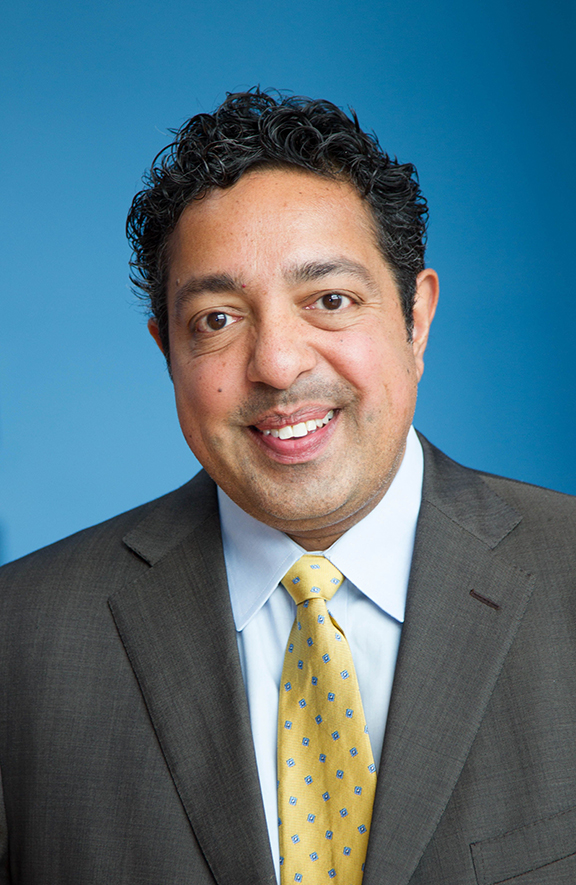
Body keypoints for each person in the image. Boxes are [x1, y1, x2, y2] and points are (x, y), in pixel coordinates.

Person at [1, 89, 575, 885]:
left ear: (415, 318)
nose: (276, 363)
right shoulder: (21, 641)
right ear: (166, 351)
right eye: (217, 319)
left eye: (330, 300)